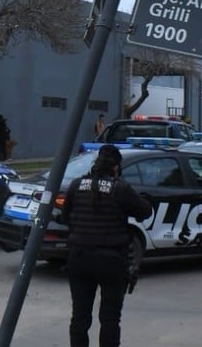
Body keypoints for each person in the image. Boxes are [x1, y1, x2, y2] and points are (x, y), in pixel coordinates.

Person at [61, 144, 153, 347]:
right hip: (112, 261)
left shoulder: (76, 185)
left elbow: (65, 217)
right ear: (116, 167)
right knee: (110, 318)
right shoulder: (120, 188)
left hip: (79, 258)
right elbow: (145, 211)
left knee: (79, 316)